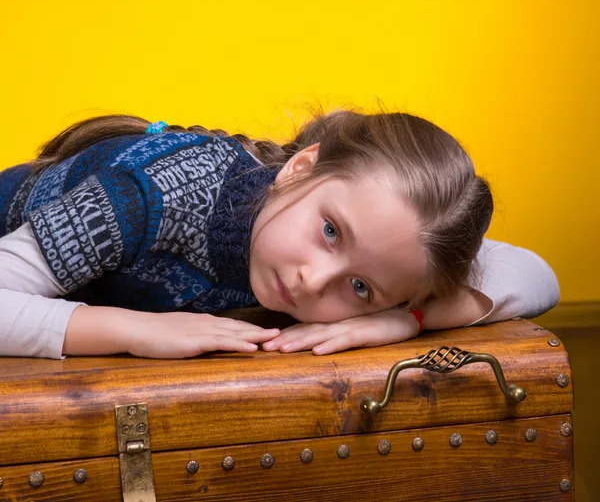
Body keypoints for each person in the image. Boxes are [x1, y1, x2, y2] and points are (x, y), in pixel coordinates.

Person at [0, 110, 559, 359]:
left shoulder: (394, 240)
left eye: (360, 288)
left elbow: (537, 276)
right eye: (330, 232)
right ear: (300, 168)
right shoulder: (146, 198)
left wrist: (402, 319)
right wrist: (132, 329)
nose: (314, 281)